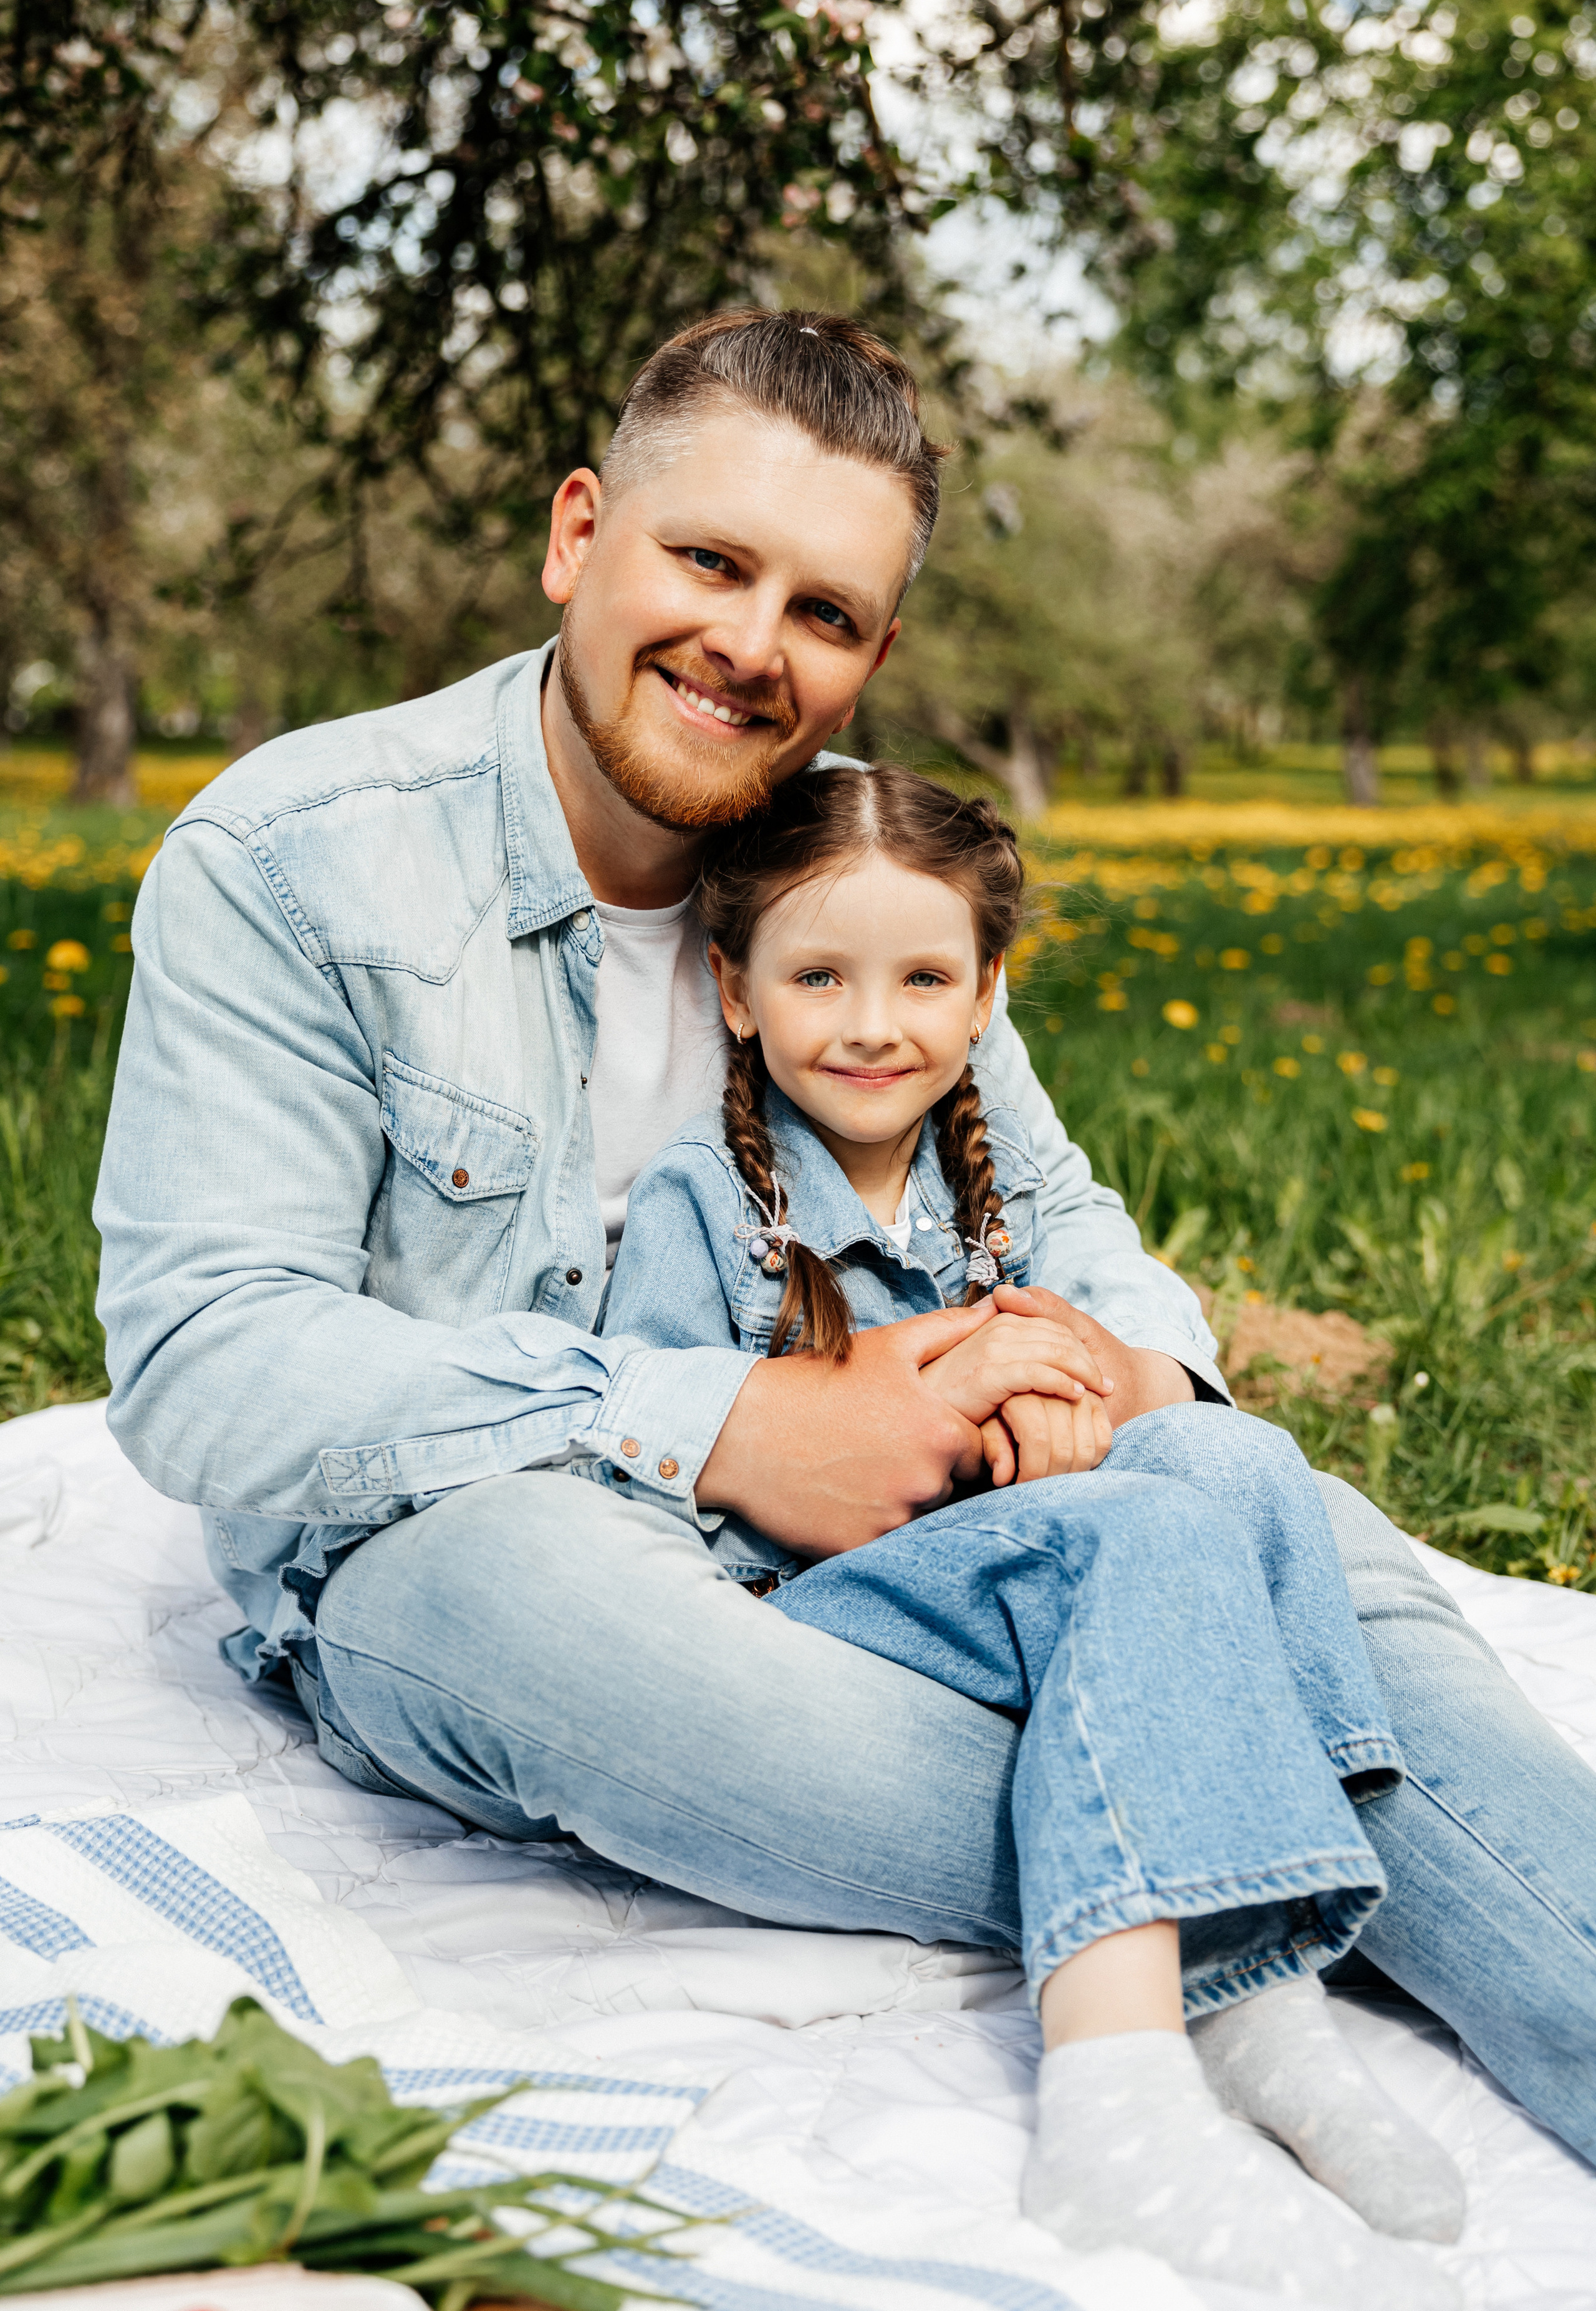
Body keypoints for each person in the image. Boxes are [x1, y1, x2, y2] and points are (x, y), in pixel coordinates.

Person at [94, 310, 1596, 2238]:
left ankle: (1278, 1892)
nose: (751, 642)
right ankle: (1230, 1876)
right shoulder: (297, 861)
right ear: (578, 536)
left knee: (1251, 1498)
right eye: (709, 561)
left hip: (938, 1547)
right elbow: (210, 1366)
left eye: (823, 608)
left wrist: (1107, 1375)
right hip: (502, 1544)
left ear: (875, 649)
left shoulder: (859, 872)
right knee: (532, 1591)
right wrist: (725, 1420)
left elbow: (1063, 1225)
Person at [599, 757, 1463, 2300]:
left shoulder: (984, 1191)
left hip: (994, 1572)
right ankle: (1116, 2103)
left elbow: (1093, 1364)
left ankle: (1265, 2001)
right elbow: (689, 1456)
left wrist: (1056, 1399)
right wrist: (970, 1441)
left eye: (924, 977)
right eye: (817, 975)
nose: (873, 1023)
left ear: (987, 994)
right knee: (1131, 1539)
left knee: (1239, 1464)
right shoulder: (701, 1209)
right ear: (733, 991)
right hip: (814, 1612)